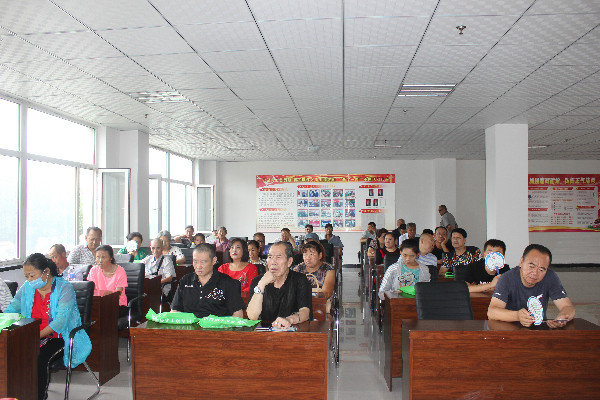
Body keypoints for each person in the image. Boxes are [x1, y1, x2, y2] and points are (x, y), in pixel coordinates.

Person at [5, 253, 92, 400]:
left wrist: (34, 337)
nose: (29, 280)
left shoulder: (64, 288)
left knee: (38, 358)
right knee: (9, 353)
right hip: (31, 334)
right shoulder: (27, 288)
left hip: (59, 335)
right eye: (26, 276)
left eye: (32, 275)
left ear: (46, 271)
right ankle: (17, 394)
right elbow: (11, 310)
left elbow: (61, 321)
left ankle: (38, 396)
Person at [488, 244, 575, 328]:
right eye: (531, 266)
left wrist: (562, 318)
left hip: (539, 329)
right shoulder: (507, 278)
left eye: (541, 269)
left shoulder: (550, 277)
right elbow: (492, 312)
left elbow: (568, 307)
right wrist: (517, 316)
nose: (535, 273)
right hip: (510, 328)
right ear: (521, 262)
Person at [247, 242, 312, 329]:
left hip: (291, 331)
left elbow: (305, 312)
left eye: (278, 257)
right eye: (270, 257)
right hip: (264, 332)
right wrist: (261, 285)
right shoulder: (258, 281)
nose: (273, 262)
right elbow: (252, 317)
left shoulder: (300, 280)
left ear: (289, 261)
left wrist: (289, 320)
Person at [171, 244, 245, 318]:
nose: (198, 266)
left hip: (217, 325)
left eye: (203, 262)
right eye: (195, 261)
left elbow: (238, 315)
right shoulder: (185, 281)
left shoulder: (227, 282)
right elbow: (174, 310)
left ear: (214, 260)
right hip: (189, 324)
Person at [86, 245, 129, 317]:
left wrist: (107, 296)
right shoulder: (93, 270)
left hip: (117, 304)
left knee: (101, 315)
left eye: (103, 257)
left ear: (111, 258)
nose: (100, 261)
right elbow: (91, 290)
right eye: (98, 257)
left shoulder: (120, 271)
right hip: (99, 303)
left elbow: (118, 294)